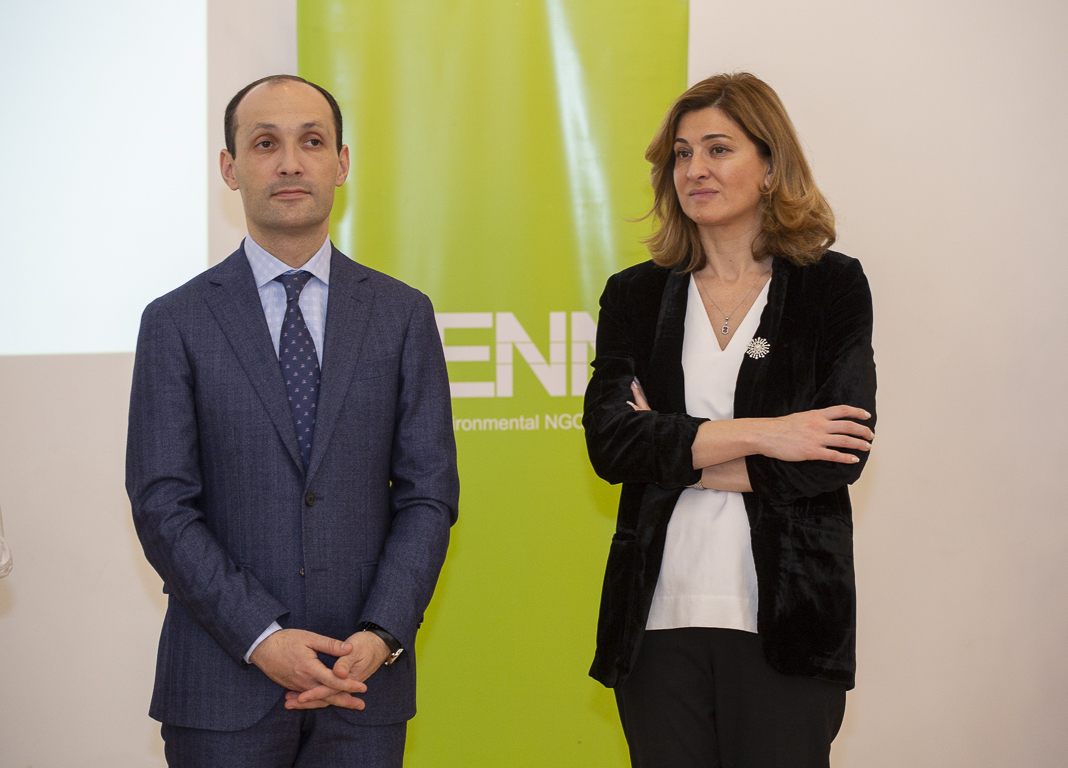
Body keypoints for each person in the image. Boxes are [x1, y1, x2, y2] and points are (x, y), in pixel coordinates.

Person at [126, 74, 459, 767]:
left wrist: (382, 633)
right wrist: (261, 637)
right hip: (221, 689)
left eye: (311, 141)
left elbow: (428, 495)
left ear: (342, 162)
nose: (289, 163)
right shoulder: (175, 321)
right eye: (264, 144)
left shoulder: (402, 315)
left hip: (361, 685)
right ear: (230, 167)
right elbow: (162, 503)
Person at [583, 72, 876, 768]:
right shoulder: (634, 296)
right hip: (657, 624)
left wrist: (672, 452)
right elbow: (613, 444)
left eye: (718, 149)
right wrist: (770, 433)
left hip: (789, 625)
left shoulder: (831, 286)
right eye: (682, 155)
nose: (695, 169)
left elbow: (838, 453)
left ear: (770, 166)